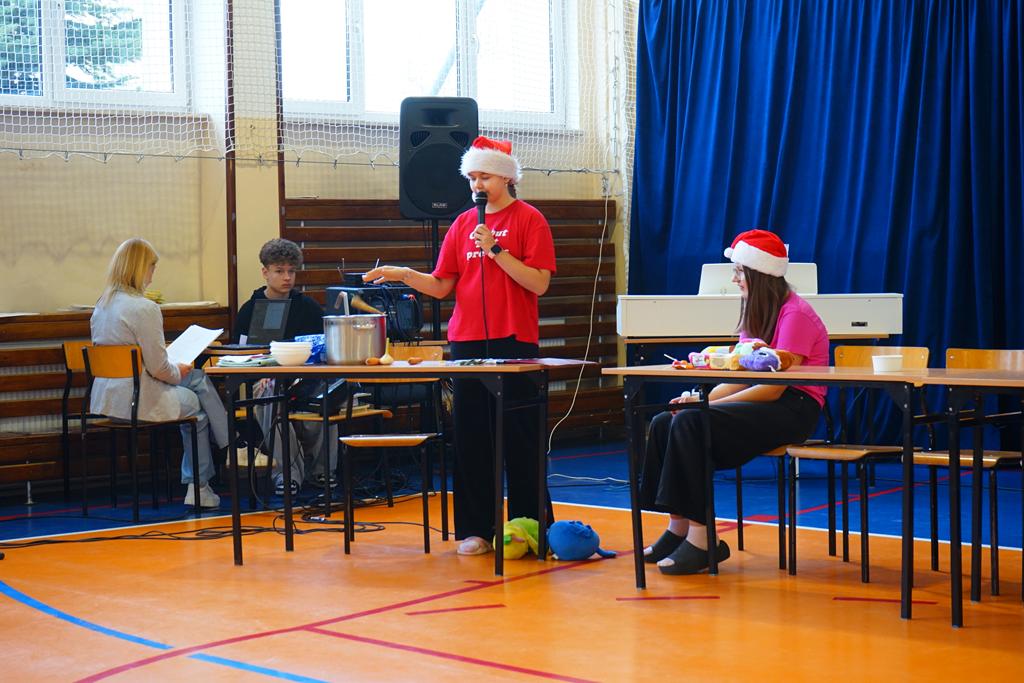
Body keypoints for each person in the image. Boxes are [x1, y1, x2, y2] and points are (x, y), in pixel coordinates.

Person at [364, 136, 557, 556]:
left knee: (520, 437)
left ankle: (529, 526)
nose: (477, 185)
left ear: (505, 178)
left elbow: (539, 283)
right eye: (472, 177)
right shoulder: (462, 223)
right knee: (471, 438)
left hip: (513, 339)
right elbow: (441, 285)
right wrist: (404, 274)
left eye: (484, 176)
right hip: (467, 340)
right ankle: (476, 529)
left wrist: (497, 250)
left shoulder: (530, 219)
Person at [640, 229, 828, 574]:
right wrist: (699, 399)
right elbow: (740, 374)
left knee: (691, 421)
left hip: (794, 406)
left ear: (758, 274)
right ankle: (677, 527)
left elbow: (773, 389)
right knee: (666, 421)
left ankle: (703, 541)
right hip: (766, 401)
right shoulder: (757, 313)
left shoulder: (795, 315)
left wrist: (705, 408)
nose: (734, 279)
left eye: (739, 271)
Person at [90, 237, 229, 508]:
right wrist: (179, 370)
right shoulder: (144, 308)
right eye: (152, 267)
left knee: (198, 380)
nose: (153, 276)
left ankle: (230, 444)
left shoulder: (102, 305)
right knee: (197, 406)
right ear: (139, 268)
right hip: (139, 399)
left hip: (108, 399)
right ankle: (202, 483)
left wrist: (175, 370)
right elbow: (159, 369)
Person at [233, 238, 337, 496]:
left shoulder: (308, 307)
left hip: (305, 379)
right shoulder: (250, 309)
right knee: (269, 396)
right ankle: (286, 474)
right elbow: (240, 354)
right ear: (265, 272)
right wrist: (262, 373)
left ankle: (322, 470)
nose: (287, 277)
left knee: (331, 394)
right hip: (266, 379)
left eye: (291, 271)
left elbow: (324, 348)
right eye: (279, 271)